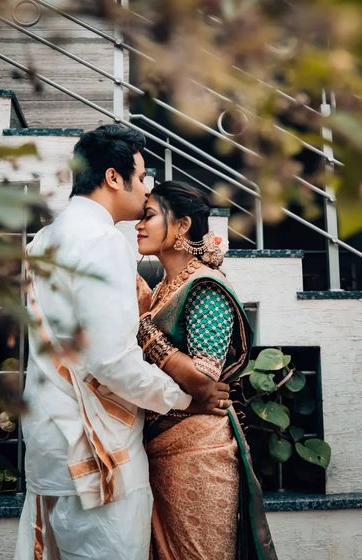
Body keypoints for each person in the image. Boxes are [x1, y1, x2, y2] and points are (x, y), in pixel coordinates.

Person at [15, 125, 231, 560]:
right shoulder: (102, 242)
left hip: (49, 448)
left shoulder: (43, 242)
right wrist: (186, 398)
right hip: (97, 456)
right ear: (115, 178)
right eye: (142, 174)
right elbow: (112, 360)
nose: (146, 186)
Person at [135, 181, 278, 560]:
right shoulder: (164, 286)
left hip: (198, 453)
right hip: (161, 446)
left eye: (148, 216)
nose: (138, 224)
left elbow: (203, 379)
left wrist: (145, 329)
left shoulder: (204, 287)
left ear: (181, 226)